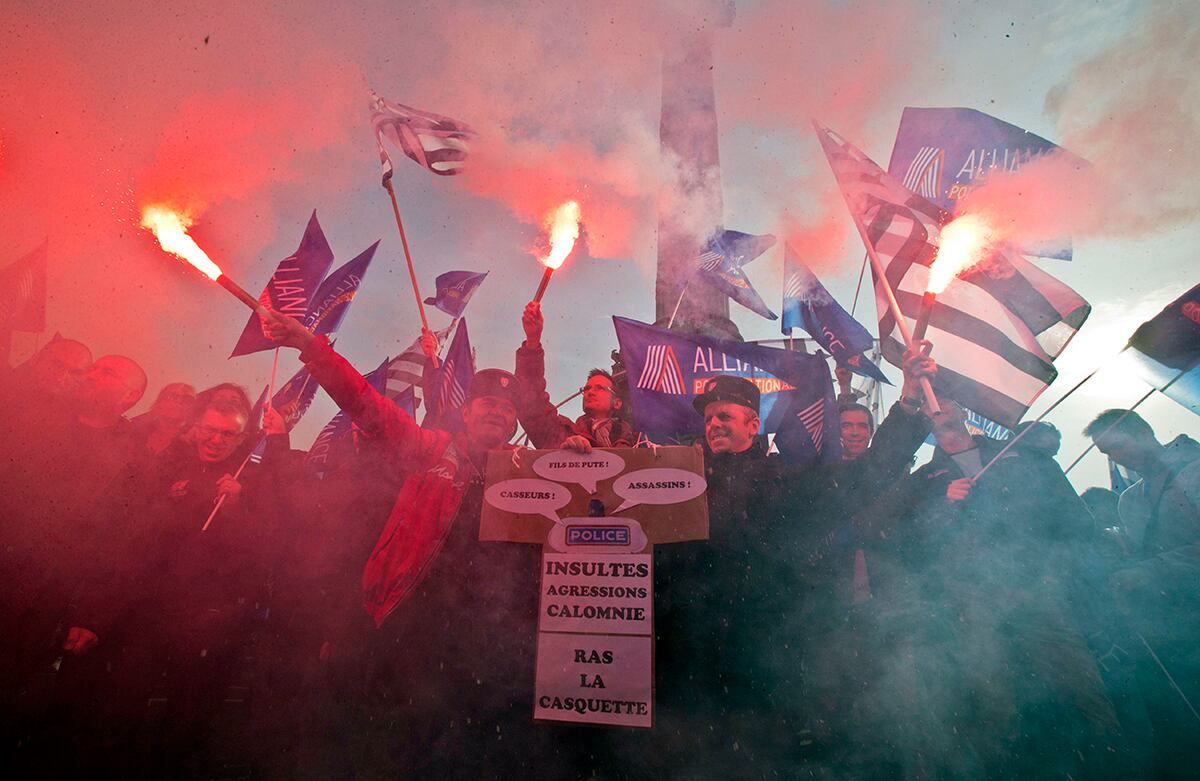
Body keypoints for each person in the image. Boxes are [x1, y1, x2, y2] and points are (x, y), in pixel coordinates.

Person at [262, 309, 584, 778]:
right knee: (384, 739)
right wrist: (309, 346)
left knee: (456, 746)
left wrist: (572, 455)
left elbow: (547, 424)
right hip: (406, 617)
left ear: (515, 422)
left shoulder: (525, 468)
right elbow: (365, 403)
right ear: (467, 410)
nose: (497, 410)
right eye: (487, 403)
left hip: (485, 634)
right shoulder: (427, 448)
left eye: (507, 408)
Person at [1084, 409, 1200, 778]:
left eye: (1117, 446)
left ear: (1144, 432)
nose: (1116, 458)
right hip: (1173, 625)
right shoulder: (1129, 501)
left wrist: (1153, 569)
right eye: (1107, 454)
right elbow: (1143, 556)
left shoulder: (1196, 472)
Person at [515, 300, 635, 449]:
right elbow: (530, 404)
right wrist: (533, 341)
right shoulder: (562, 435)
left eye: (599, 388)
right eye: (587, 389)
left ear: (617, 403)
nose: (590, 392)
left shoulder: (638, 443)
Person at [129, 382, 197, 456]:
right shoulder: (136, 429)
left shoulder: (191, 443)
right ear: (160, 401)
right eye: (172, 396)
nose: (179, 402)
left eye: (187, 400)